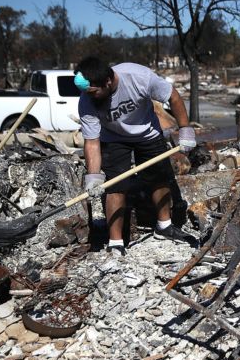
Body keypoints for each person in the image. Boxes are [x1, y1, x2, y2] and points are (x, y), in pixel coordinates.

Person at [75, 56, 197, 256]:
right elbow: (92, 141)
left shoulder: (138, 77)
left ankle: (164, 226)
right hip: (113, 138)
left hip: (147, 132)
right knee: (115, 186)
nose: (91, 97)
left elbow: (173, 96)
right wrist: (94, 176)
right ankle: (115, 242)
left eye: (94, 92)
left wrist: (185, 130)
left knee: (159, 177)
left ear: (107, 82)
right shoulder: (87, 100)